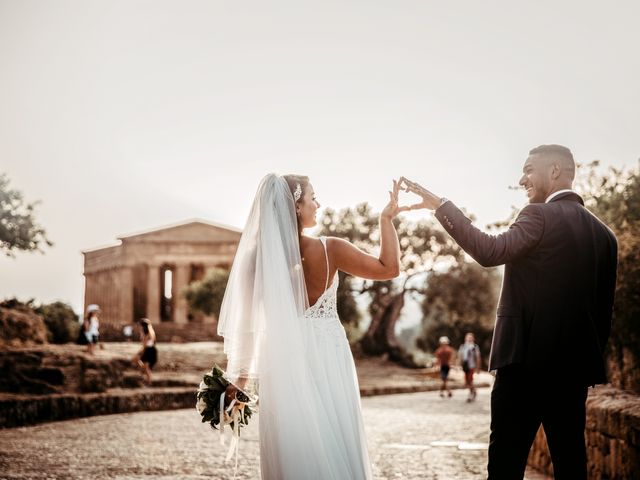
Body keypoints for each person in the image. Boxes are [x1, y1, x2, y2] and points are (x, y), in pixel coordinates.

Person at [400, 144, 618, 479]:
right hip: (573, 373)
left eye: (529, 169)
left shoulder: (538, 216)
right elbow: (603, 314)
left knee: (506, 463)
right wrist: (581, 363)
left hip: (523, 368)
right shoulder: (606, 237)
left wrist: (440, 206)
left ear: (555, 171)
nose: (522, 179)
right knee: (571, 462)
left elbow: (489, 251)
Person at [218, 174, 406, 479]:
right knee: (336, 437)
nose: (318, 204)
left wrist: (238, 384)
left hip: (280, 361)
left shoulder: (255, 261)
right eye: (313, 197)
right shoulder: (330, 249)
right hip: (327, 356)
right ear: (295, 206)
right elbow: (390, 268)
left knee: (294, 444)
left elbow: (249, 331)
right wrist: (386, 219)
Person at [458, 332, 481, 402]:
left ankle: (470, 394)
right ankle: (474, 391)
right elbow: (460, 356)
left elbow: (478, 357)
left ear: (473, 339)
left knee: (470, 380)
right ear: (465, 338)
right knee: (467, 381)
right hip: (465, 366)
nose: (469, 339)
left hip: (471, 365)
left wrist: (478, 367)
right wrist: (459, 365)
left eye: (471, 337)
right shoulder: (463, 346)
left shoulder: (474, 347)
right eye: (468, 337)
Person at [134, 318, 157, 384]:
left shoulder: (149, 333)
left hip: (149, 350)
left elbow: (146, 344)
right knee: (137, 361)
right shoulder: (145, 332)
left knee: (146, 367)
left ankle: (148, 381)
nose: (139, 327)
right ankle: (144, 376)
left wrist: (141, 352)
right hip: (147, 349)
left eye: (140, 325)